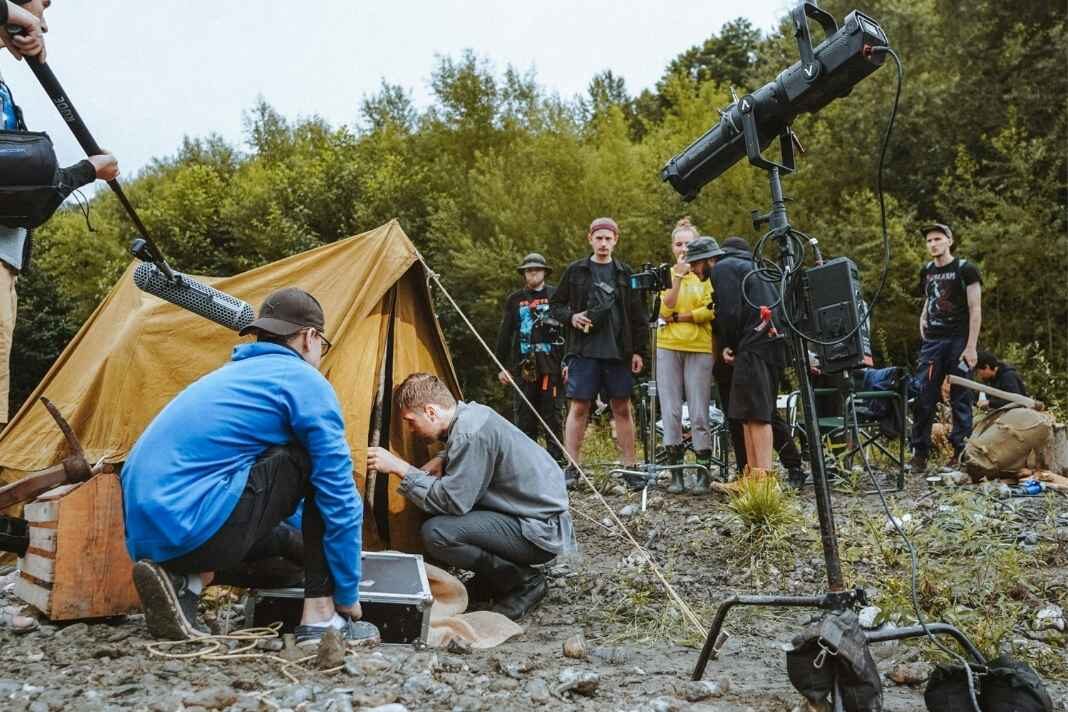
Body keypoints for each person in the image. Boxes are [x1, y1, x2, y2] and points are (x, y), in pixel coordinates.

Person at [122, 288, 377, 646]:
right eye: (322, 345)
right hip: (194, 525)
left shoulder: (231, 378)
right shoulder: (304, 381)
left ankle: (187, 582)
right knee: (310, 460)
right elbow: (338, 494)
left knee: (289, 559)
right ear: (310, 337)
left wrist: (312, 550)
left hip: (153, 535)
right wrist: (347, 593)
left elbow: (269, 494)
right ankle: (321, 620)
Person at [367, 373, 574, 621]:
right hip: (531, 515)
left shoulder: (469, 434)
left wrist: (399, 468)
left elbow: (452, 503)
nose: (411, 430)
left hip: (540, 531)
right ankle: (492, 579)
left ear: (431, 412)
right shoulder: (472, 415)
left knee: (437, 532)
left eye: (412, 421)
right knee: (434, 513)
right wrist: (444, 457)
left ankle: (524, 582)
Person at [1, 0, 119, 428]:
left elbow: (22, 196)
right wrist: (89, 170)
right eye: (42, 3)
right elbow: (13, 185)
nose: (46, 15)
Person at [549, 217, 648, 485]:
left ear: (616, 240)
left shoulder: (625, 273)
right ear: (590, 239)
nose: (603, 243)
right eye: (599, 238)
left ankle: (630, 467)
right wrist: (571, 317)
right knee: (579, 406)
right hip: (583, 350)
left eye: (608, 238)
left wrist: (639, 351)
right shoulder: (576, 271)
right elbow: (555, 305)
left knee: (622, 407)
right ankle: (572, 468)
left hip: (619, 351)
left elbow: (638, 314)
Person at [693, 236, 788, 479]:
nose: (694, 270)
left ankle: (763, 481)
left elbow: (730, 311)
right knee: (746, 413)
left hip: (754, 343)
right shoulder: (750, 265)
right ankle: (750, 477)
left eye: (696, 264)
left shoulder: (722, 268)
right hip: (768, 342)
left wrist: (729, 345)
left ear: (709, 259)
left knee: (757, 414)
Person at [909, 223, 982, 472]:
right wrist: (922, 317)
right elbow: (929, 296)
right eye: (929, 240)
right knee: (923, 394)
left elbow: (976, 309)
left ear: (949, 241)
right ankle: (920, 453)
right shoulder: (927, 270)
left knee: (961, 396)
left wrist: (971, 347)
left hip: (958, 341)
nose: (933, 244)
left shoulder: (966, 270)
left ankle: (962, 453)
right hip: (933, 343)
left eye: (938, 239)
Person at [656, 217, 716, 494]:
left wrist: (685, 316)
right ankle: (676, 473)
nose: (683, 249)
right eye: (678, 244)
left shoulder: (706, 274)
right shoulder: (666, 275)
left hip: (700, 347)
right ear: (672, 247)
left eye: (688, 244)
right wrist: (678, 277)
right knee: (670, 410)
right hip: (668, 346)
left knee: (699, 410)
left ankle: (703, 471)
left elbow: (711, 310)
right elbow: (663, 310)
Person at [495, 252, 564, 463]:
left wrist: (568, 362)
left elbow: (568, 331)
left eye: (536, 269)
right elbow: (505, 334)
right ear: (524, 273)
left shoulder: (556, 295)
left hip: (552, 364)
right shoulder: (515, 300)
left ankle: (557, 460)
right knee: (525, 415)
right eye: (528, 270)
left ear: (544, 271)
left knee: (552, 413)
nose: (533, 273)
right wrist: (502, 366)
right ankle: (528, 462)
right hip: (524, 366)